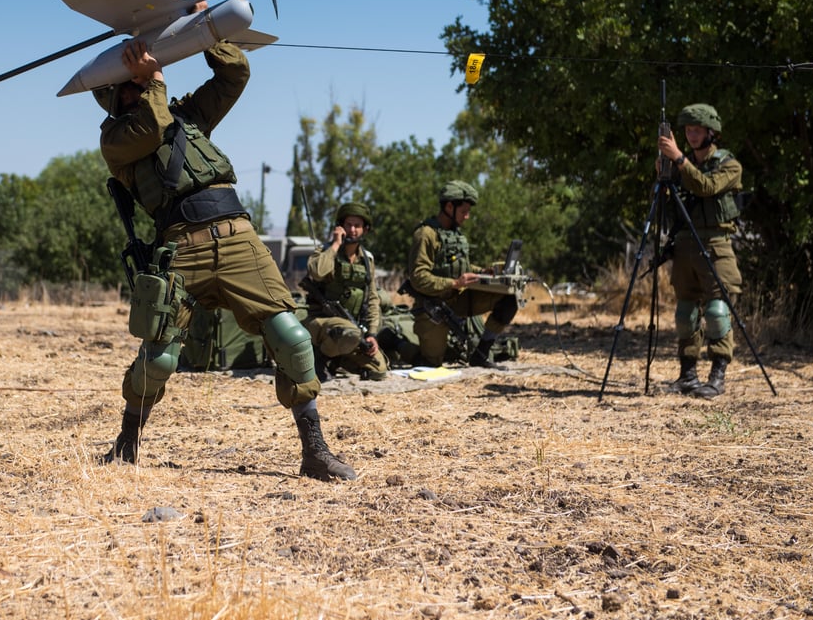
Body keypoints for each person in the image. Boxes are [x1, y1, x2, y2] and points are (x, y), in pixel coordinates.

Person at [96, 38, 356, 481]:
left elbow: (234, 77)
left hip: (238, 238)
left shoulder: (186, 117)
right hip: (181, 247)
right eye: (128, 84)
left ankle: (314, 451)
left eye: (139, 80)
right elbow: (153, 124)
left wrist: (208, 36)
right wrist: (154, 79)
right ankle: (127, 443)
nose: (137, 87)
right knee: (159, 359)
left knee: (291, 337)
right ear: (112, 96)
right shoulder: (116, 138)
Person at [657, 103, 744, 399]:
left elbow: (706, 187)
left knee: (718, 311)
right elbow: (668, 208)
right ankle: (687, 375)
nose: (691, 135)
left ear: (711, 132)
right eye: (688, 131)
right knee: (685, 313)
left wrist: (679, 159)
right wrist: (663, 179)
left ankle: (717, 376)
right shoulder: (679, 168)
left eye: (697, 130)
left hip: (716, 244)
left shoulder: (729, 165)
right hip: (684, 245)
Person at [406, 180, 519, 368]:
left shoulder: (456, 235)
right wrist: (455, 283)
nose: (467, 217)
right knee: (432, 364)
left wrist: (482, 272)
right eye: (464, 211)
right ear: (449, 206)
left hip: (459, 301)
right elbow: (418, 277)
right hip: (433, 307)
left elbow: (461, 267)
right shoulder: (426, 234)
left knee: (510, 298)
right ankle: (395, 342)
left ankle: (480, 355)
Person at [302, 202, 388, 381]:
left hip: (352, 330)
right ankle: (320, 356)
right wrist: (335, 245)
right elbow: (317, 272)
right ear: (340, 226)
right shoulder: (326, 251)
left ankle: (338, 360)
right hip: (321, 323)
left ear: (365, 229)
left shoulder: (367, 259)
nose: (353, 230)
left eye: (357, 225)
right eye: (348, 225)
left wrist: (372, 334)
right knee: (350, 334)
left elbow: (372, 299)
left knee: (379, 370)